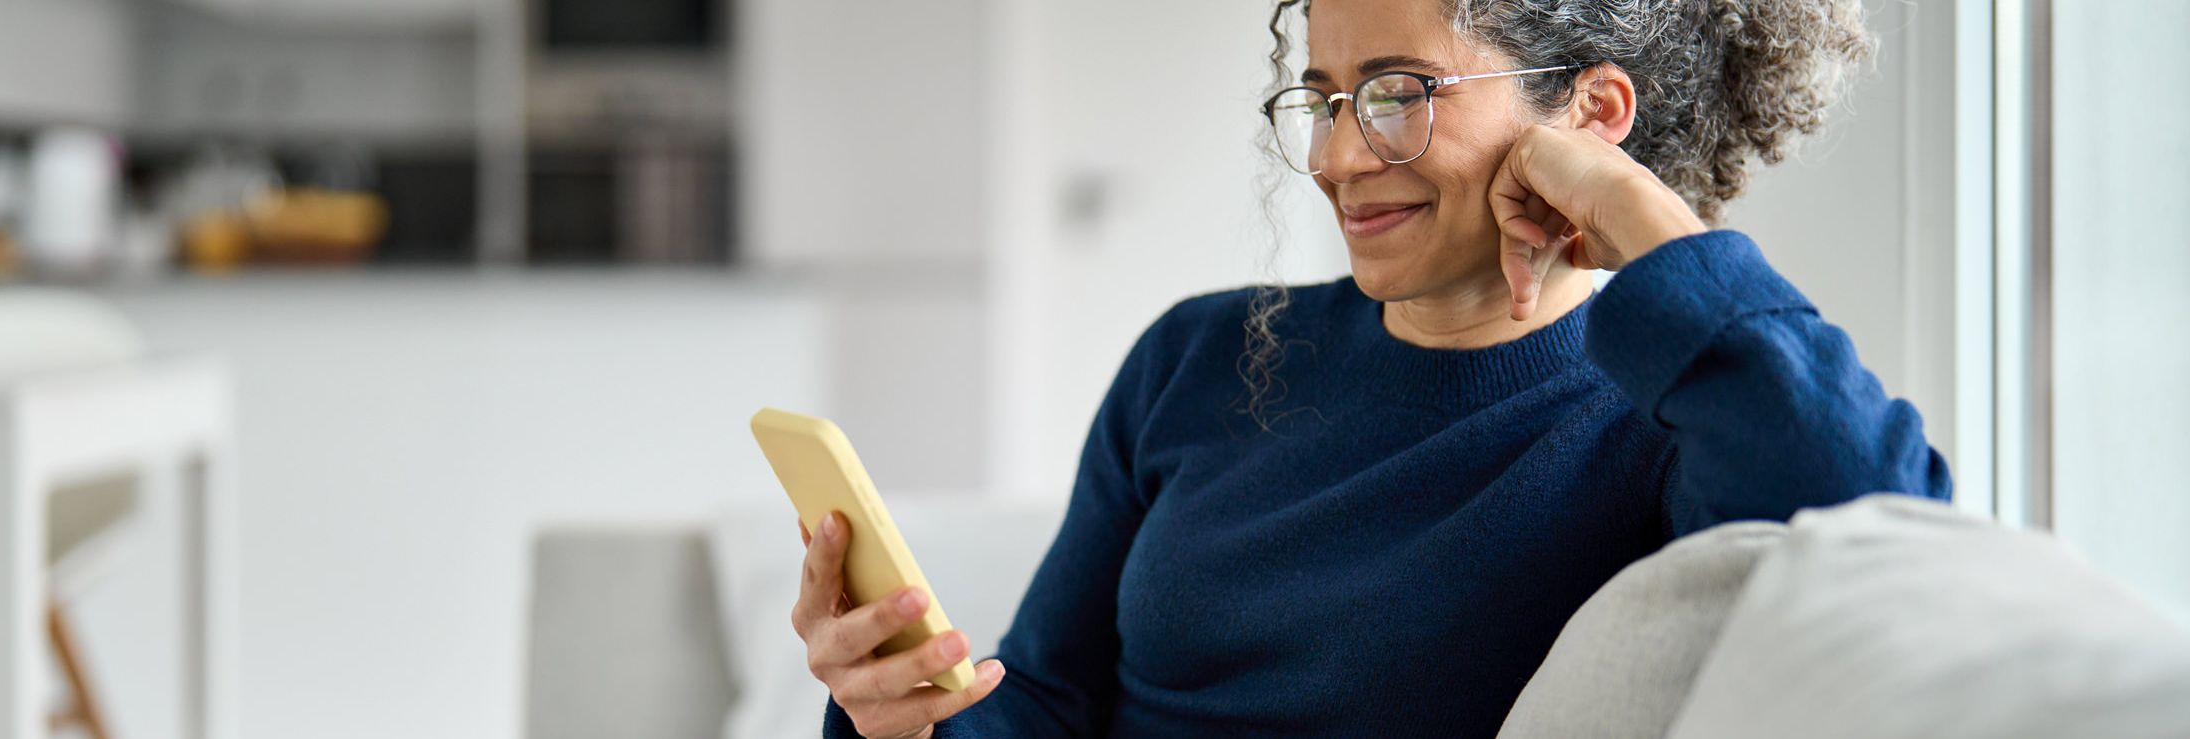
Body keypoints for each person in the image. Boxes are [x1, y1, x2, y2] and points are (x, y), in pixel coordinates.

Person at [796, 0, 1946, 735]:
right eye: (1325, 98)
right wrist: (904, 715)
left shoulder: (1671, 416)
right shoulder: (1196, 357)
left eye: (1400, 95)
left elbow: (1879, 527)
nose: (1339, 157)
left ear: (1593, 114)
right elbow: (1047, 700)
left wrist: (1638, 216)